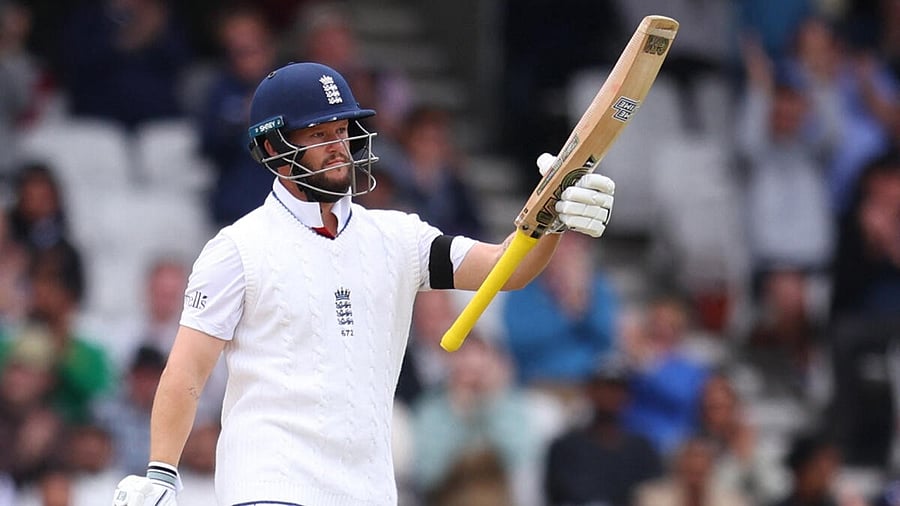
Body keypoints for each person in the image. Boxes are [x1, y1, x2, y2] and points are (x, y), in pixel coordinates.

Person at [111, 61, 616, 506]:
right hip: (271, 486)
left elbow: (508, 268)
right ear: (272, 147)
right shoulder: (237, 248)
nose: (340, 148)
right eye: (318, 135)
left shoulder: (397, 236)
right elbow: (187, 371)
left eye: (343, 131)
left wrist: (553, 218)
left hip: (367, 489)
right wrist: (161, 470)